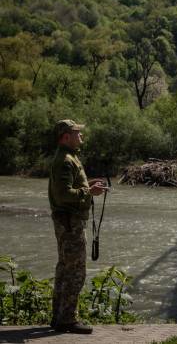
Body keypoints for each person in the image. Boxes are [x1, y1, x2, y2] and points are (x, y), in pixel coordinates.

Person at [48, 119, 108, 334]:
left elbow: (69, 188)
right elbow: (63, 194)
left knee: (64, 269)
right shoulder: (65, 160)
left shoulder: (68, 158)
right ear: (66, 136)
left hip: (68, 221)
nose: (81, 136)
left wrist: (87, 185)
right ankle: (67, 320)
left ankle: (58, 317)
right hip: (70, 223)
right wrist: (88, 192)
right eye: (77, 133)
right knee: (75, 272)